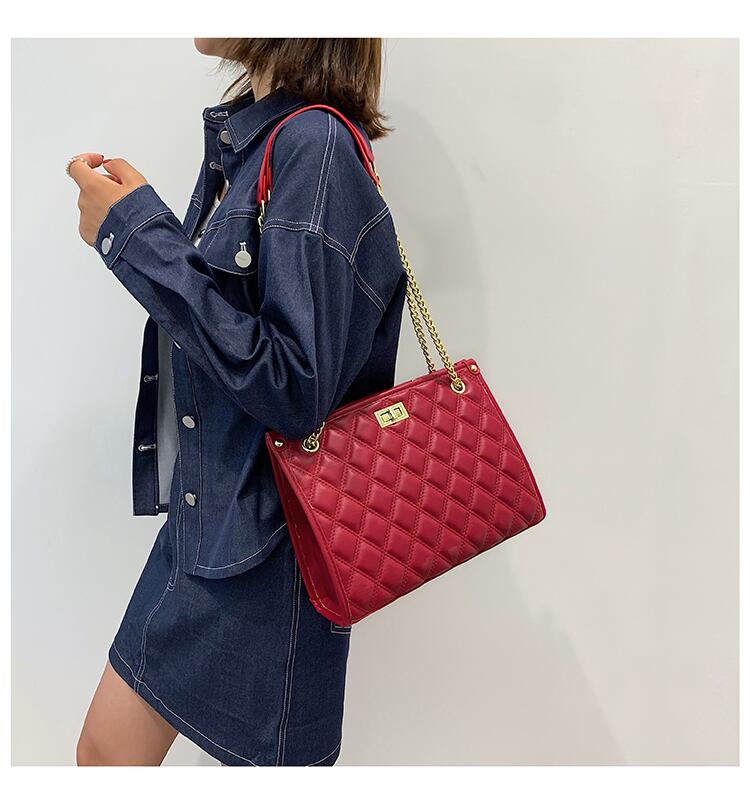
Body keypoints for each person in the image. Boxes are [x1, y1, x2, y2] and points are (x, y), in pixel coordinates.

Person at [68, 37, 408, 766]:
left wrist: (135, 234)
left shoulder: (315, 148)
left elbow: (295, 386)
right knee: (102, 756)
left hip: (273, 554)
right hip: (211, 525)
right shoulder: (254, 143)